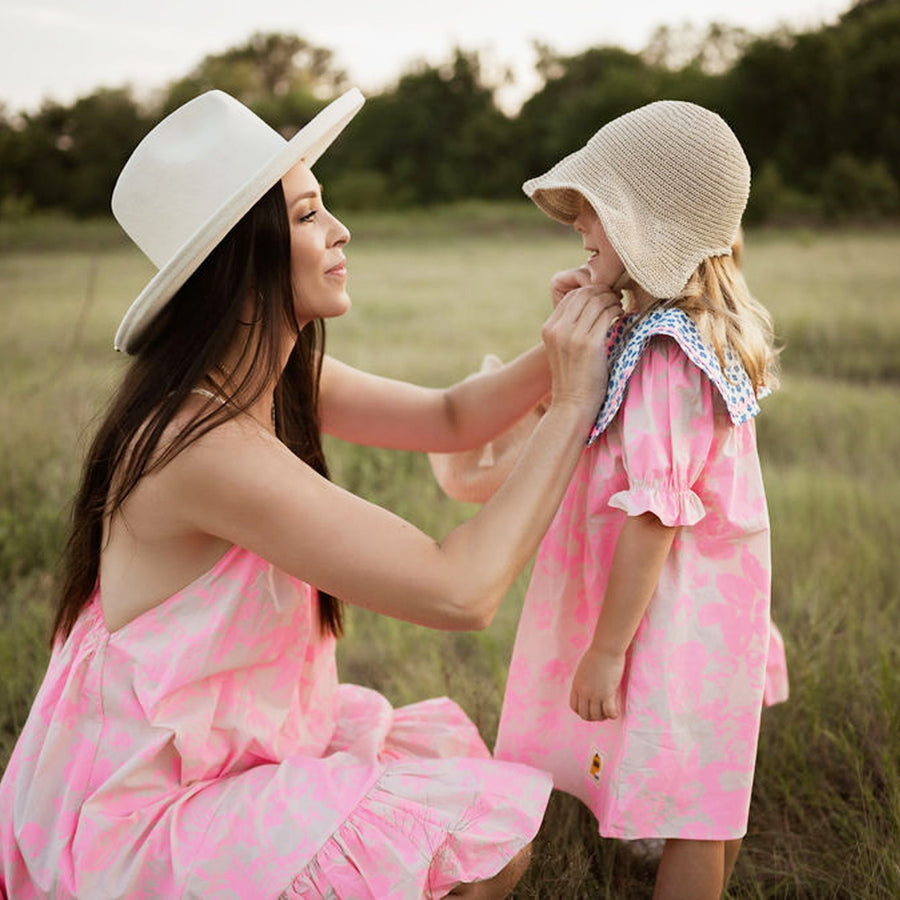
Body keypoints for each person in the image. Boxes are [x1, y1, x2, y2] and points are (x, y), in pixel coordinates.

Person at [0, 88, 622, 899]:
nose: (340, 231)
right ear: (241, 253)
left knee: (461, 824)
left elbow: (449, 415)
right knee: (477, 846)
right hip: (143, 819)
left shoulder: (268, 375)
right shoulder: (200, 445)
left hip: (225, 752)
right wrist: (573, 402)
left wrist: (571, 332)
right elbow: (459, 588)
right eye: (306, 215)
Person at [493, 100, 782, 899]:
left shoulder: (664, 356)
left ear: (649, 225)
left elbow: (657, 515)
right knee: (708, 796)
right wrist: (586, 295)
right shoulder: (686, 334)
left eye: (595, 208)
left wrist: (608, 648)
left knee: (694, 807)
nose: (578, 222)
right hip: (707, 606)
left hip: (664, 611)